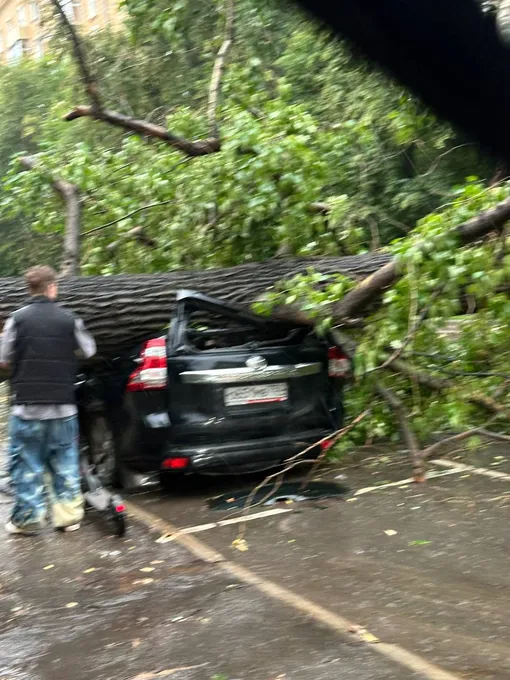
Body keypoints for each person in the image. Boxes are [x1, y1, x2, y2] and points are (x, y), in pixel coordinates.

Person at [0, 265, 96, 536]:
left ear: (29, 289)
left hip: (27, 407)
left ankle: (28, 520)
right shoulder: (69, 319)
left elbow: (3, 357)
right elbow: (89, 350)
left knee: (27, 464)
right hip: (63, 406)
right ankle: (67, 518)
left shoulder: (16, 320)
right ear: (53, 287)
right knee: (65, 461)